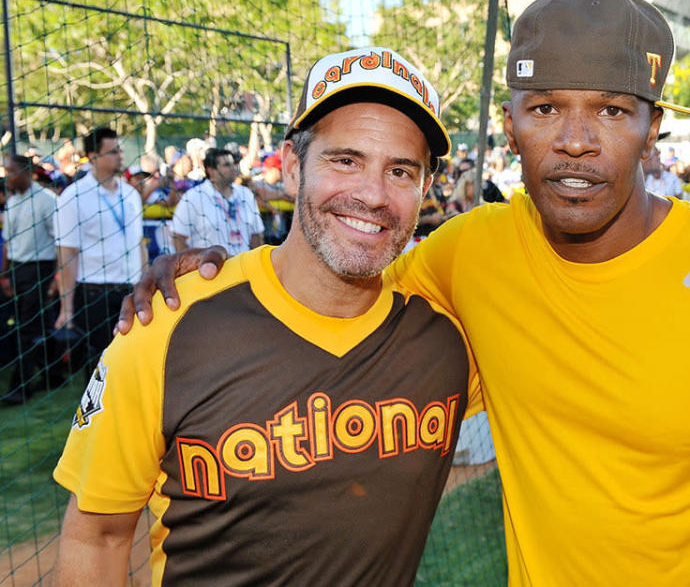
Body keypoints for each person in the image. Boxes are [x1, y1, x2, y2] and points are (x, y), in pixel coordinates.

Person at [122, 0, 690, 585]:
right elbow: (333, 291)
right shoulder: (472, 253)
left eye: (611, 111)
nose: (574, 141)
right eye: (546, 108)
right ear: (510, 123)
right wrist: (212, 273)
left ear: (652, 128)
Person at [52, 47, 481, 585]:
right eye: (344, 160)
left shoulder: (448, 338)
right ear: (294, 167)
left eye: (400, 170)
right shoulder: (170, 323)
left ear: (425, 189)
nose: (372, 194)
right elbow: (100, 536)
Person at [53, 127, 146, 376]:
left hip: (131, 291)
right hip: (95, 295)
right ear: (93, 156)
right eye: (112, 151)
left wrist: (147, 284)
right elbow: (67, 254)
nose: (120, 156)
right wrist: (67, 309)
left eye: (120, 150)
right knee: (100, 371)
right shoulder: (73, 196)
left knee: (134, 365)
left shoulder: (130, 195)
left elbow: (139, 244)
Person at [0, 154, 58, 403]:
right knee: (35, 325)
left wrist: (57, 276)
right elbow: (8, 243)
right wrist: (6, 275)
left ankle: (21, 388)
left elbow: (59, 241)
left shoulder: (47, 201)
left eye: (10, 171)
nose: (7, 176)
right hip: (18, 270)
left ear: (26, 171)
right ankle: (54, 374)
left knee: (28, 327)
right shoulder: (12, 202)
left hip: (41, 269)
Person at [171, 148, 264, 256]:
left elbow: (256, 234)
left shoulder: (245, 194)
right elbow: (178, 237)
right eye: (227, 165)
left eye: (234, 163)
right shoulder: (193, 197)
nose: (233, 168)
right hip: (209, 269)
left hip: (242, 267)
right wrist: (192, 265)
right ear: (211, 171)